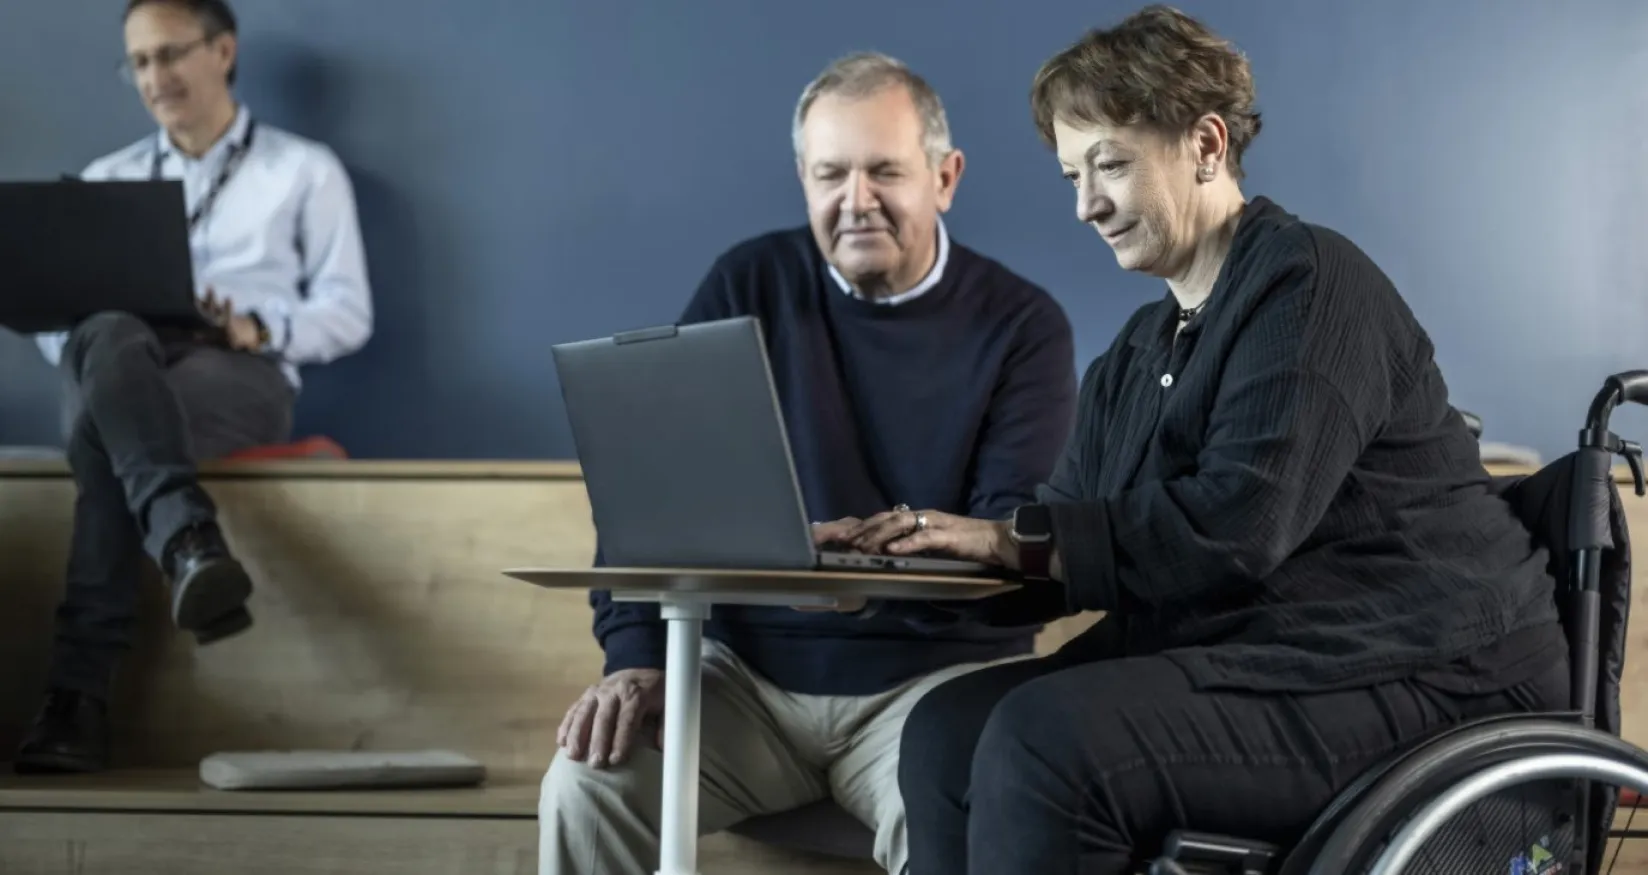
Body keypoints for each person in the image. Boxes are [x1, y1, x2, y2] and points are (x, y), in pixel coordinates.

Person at [836, 7, 1569, 874]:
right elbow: (1063, 537)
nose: (1084, 205)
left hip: (1428, 672)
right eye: (1072, 174)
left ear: (1207, 146)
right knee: (944, 728)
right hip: (1275, 662)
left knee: (1048, 740)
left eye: (1108, 164)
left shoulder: (1313, 284)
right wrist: (900, 565)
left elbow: (1238, 525)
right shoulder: (1136, 356)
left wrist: (1010, 537)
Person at [538, 52, 1077, 875]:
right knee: (587, 783)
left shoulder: (1025, 325)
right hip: (746, 683)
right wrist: (635, 654)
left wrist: (855, 572)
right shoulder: (747, 280)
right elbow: (656, 487)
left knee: (972, 819)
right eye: (831, 175)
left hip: (932, 686)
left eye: (883, 172)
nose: (855, 202)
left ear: (945, 176)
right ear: (802, 178)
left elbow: (1008, 550)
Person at [14, 0, 372, 774]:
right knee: (106, 336)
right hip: (121, 362)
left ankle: (77, 696)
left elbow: (349, 313)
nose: (155, 77)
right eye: (139, 62)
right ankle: (186, 540)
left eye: (171, 54)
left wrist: (258, 324)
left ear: (224, 51)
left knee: (108, 433)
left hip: (235, 371)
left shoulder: (304, 169)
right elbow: (55, 336)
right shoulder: (106, 181)